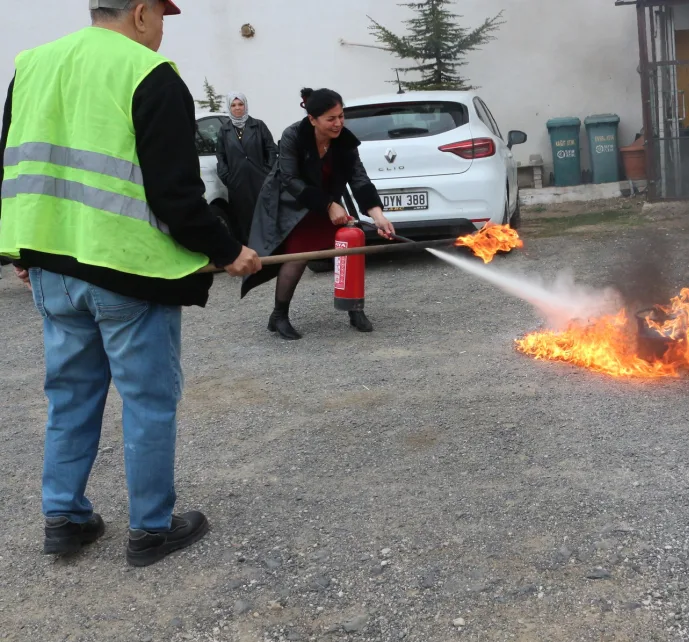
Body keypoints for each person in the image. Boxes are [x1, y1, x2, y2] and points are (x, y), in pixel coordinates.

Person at [0, 0, 261, 567]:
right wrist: (229, 251)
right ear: (141, 13)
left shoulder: (31, 65)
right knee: (147, 402)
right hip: (129, 275)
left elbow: (13, 165)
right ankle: (150, 529)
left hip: (53, 267)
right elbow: (176, 194)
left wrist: (22, 249)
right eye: (163, 17)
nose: (163, 30)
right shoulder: (149, 75)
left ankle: (64, 518)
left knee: (68, 397)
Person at [243, 87, 396, 340]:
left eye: (341, 116)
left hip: (327, 202)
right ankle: (279, 314)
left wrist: (377, 215)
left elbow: (359, 178)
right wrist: (328, 205)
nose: (338, 123)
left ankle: (354, 308)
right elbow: (290, 179)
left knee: (351, 245)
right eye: (331, 119)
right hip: (294, 202)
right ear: (312, 119)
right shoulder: (293, 135)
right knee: (299, 255)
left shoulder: (345, 141)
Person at [215, 91, 276, 244]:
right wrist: (227, 177)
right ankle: (248, 252)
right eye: (233, 105)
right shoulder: (225, 130)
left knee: (263, 215)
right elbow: (220, 155)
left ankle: (269, 250)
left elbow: (271, 149)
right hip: (237, 182)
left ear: (245, 105)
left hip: (259, 179)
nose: (237, 108)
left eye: (240, 104)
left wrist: (267, 172)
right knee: (243, 219)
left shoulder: (258, 125)